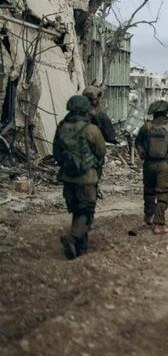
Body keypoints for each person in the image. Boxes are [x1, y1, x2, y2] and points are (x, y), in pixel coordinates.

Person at [53, 95, 106, 260]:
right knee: (86, 211)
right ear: (85, 110)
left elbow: (56, 153)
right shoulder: (91, 130)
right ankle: (72, 237)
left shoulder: (61, 128)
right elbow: (101, 152)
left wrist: (68, 166)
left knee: (77, 211)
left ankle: (79, 248)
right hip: (87, 179)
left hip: (67, 178)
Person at [135, 100, 168, 234]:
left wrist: (142, 152)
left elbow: (137, 142)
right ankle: (159, 224)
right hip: (164, 164)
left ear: (154, 113)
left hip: (148, 164)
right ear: (166, 112)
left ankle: (149, 216)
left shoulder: (146, 126)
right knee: (162, 193)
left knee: (149, 190)